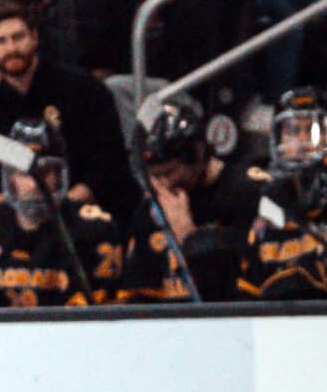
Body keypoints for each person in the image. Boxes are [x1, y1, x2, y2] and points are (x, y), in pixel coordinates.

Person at [0, 0, 137, 215]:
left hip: (88, 218)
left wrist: (61, 207)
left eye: (18, 37)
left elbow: (109, 166)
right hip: (21, 225)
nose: (11, 48)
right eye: (0, 41)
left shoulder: (84, 90)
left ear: (34, 37)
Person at [0, 115, 127, 304]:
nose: (33, 185)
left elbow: (99, 322)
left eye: (43, 172)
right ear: (10, 177)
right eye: (23, 174)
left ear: (59, 174)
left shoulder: (95, 230)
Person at [124, 94, 266, 299]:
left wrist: (188, 236)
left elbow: (240, 296)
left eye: (169, 172)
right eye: (153, 176)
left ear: (198, 153)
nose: (162, 185)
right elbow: (135, 297)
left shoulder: (247, 194)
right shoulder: (151, 208)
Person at [239, 87, 327, 299]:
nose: (304, 142)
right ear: (278, 138)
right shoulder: (265, 206)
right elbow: (247, 296)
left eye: (314, 130)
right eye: (294, 131)